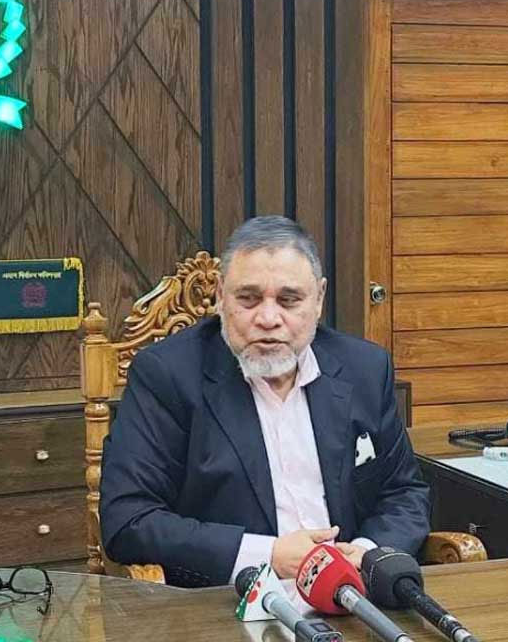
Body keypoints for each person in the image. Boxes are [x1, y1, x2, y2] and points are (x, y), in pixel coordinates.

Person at [99, 215, 430, 588]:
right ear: (220, 295)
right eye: (248, 298)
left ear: (319, 299)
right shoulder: (167, 376)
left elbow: (404, 492)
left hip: (354, 592)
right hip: (229, 602)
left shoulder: (364, 369)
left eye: (289, 300)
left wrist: (366, 554)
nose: (269, 318)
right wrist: (267, 555)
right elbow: (128, 519)